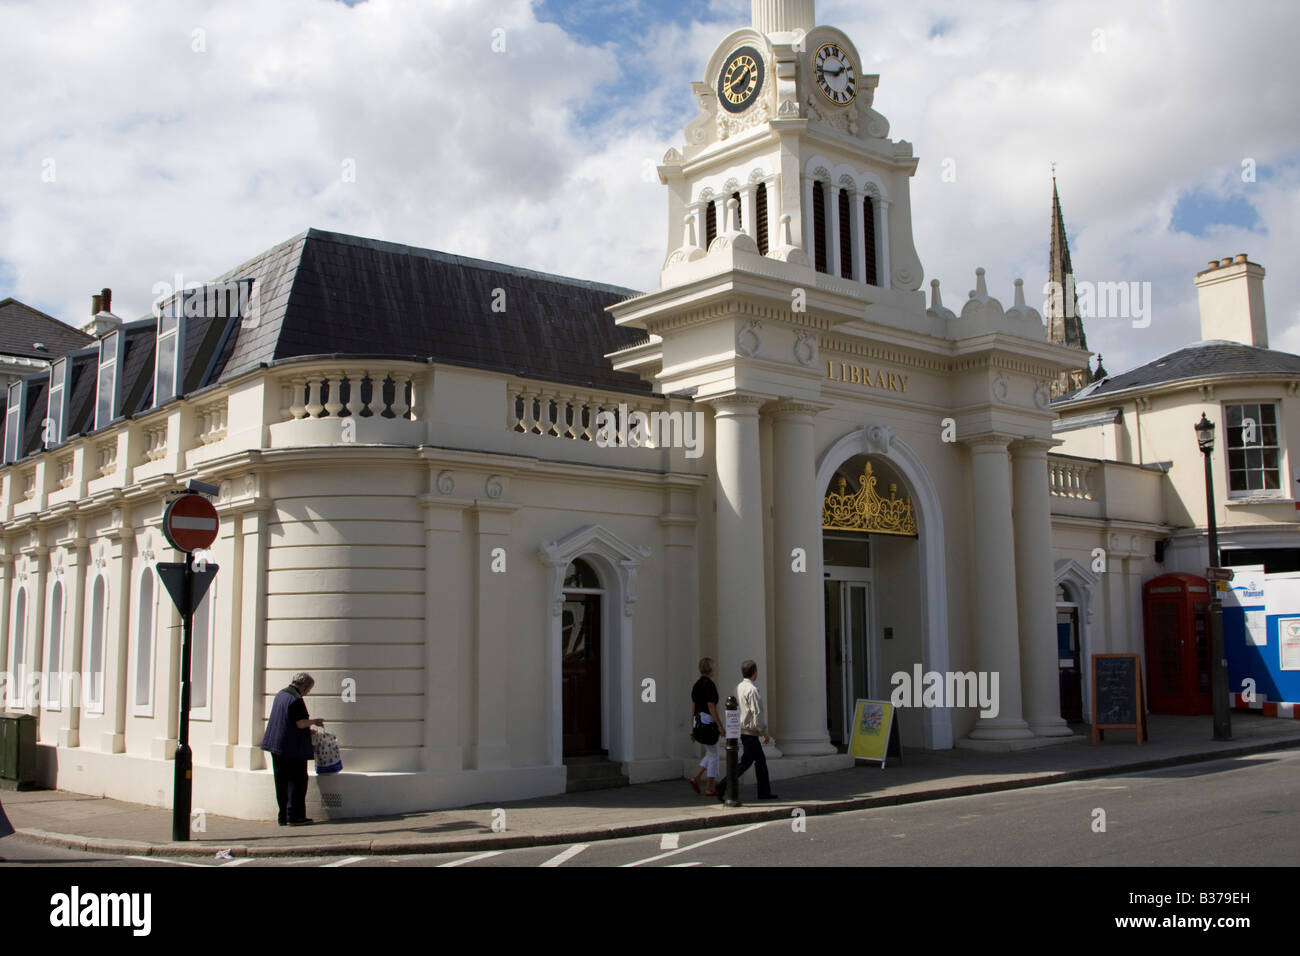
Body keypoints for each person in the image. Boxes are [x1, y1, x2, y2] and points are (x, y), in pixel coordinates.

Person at [260, 672, 324, 826]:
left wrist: (307, 730)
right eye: (308, 690)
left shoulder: (281, 694)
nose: (307, 693)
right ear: (303, 686)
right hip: (292, 748)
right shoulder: (296, 700)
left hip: (276, 745)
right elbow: (300, 723)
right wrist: (314, 722)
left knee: (281, 782)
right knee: (297, 781)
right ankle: (295, 816)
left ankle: (283, 816)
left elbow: (286, 720)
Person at [716, 659, 779, 802]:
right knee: (750, 763)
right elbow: (757, 713)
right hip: (750, 732)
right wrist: (765, 733)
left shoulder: (738, 687)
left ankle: (763, 791)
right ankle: (723, 786)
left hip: (743, 730)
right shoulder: (752, 690)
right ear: (755, 672)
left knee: (755, 761)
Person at [688, 657, 722, 796]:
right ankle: (710, 787)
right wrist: (720, 725)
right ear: (711, 669)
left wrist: (692, 728)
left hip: (698, 722)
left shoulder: (696, 685)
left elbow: (694, 706)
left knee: (711, 752)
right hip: (708, 723)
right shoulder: (710, 685)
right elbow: (711, 706)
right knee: (714, 755)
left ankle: (696, 778)